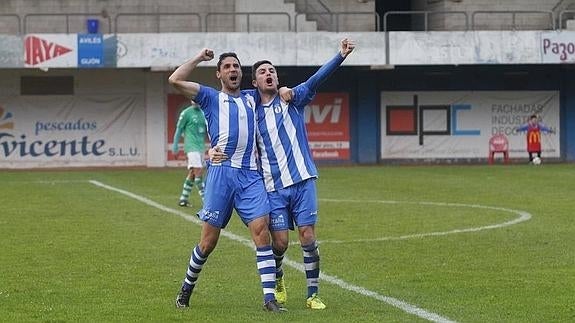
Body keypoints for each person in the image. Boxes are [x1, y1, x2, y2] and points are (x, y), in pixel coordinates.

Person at [211, 38, 355, 310]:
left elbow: (316, 80)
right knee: (280, 243)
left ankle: (313, 293)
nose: (269, 74)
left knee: (308, 237)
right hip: (273, 187)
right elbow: (228, 125)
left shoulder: (293, 98)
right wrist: (211, 151)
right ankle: (277, 280)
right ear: (254, 83)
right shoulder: (250, 108)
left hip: (302, 180)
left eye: (273, 71)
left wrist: (340, 56)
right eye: (263, 72)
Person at [168, 48, 285, 312]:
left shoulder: (251, 98)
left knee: (261, 232)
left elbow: (273, 87)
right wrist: (198, 57)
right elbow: (174, 80)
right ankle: (186, 288)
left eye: (237, 66)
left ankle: (270, 299)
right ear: (219, 73)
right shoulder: (210, 97)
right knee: (208, 243)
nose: (233, 70)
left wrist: (285, 89)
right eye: (228, 67)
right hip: (221, 176)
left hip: (250, 176)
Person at [172, 101, 207, 207]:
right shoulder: (186, 113)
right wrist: (175, 145)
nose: (195, 100)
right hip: (191, 147)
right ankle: (207, 200)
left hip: (201, 147)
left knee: (193, 172)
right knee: (199, 171)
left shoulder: (204, 113)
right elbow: (179, 129)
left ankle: (183, 199)